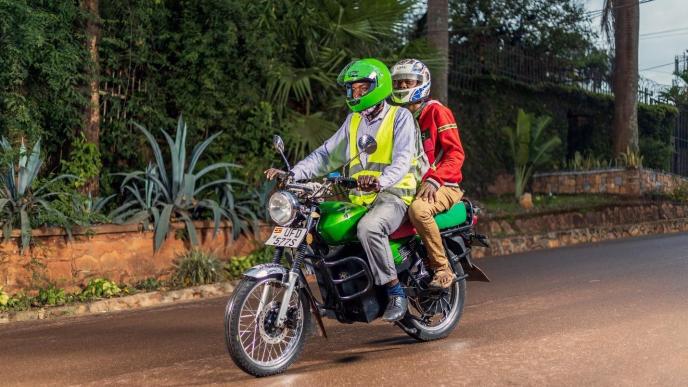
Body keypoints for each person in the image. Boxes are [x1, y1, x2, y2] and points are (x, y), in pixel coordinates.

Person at [265, 58, 417, 321]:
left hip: (394, 195)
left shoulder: (399, 117)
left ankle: (395, 291)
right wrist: (293, 174)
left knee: (369, 228)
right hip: (360, 197)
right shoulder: (353, 121)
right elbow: (325, 155)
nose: (356, 93)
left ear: (378, 86)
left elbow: (403, 160)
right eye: (352, 89)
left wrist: (381, 180)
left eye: (362, 88)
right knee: (319, 222)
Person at [390, 58, 466, 289]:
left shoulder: (436, 111)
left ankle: (442, 268)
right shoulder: (397, 117)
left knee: (419, 210)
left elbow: (456, 154)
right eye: (399, 82)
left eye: (408, 81)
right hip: (411, 185)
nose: (403, 86)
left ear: (422, 83)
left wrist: (435, 179)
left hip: (444, 186)